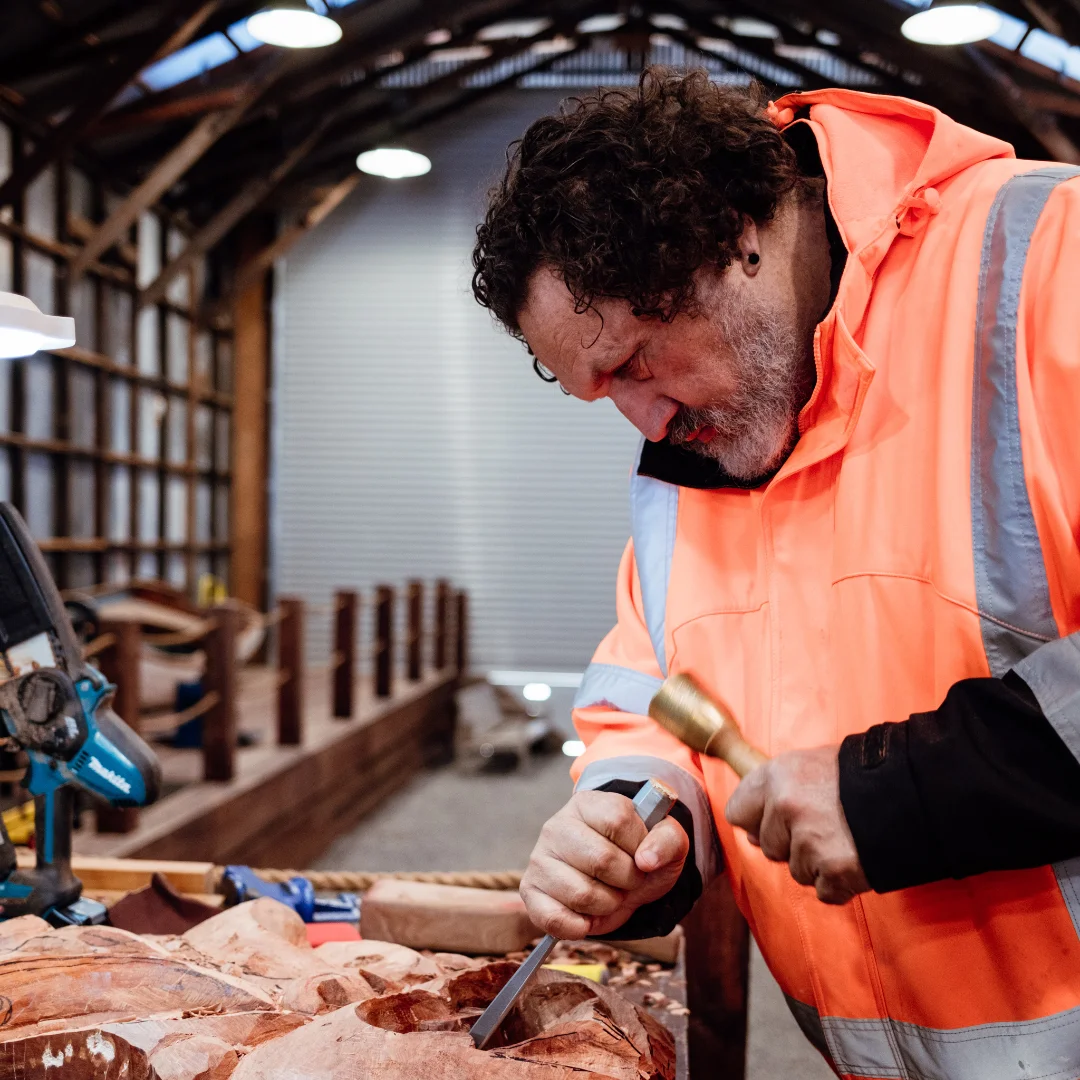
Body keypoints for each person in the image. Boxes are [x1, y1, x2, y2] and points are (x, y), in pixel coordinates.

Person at [471, 68, 1080, 1077]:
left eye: (632, 361)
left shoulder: (1048, 265)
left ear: (734, 238)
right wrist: (632, 820)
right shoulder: (699, 440)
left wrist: (902, 794)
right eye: (597, 390)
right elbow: (647, 691)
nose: (642, 421)